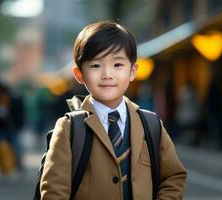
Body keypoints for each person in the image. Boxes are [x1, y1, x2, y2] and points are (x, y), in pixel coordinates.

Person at [40, 21, 187, 200]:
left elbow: (173, 177)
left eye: (118, 65)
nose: (107, 74)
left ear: (133, 71)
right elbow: (54, 194)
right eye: (96, 65)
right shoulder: (69, 128)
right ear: (79, 74)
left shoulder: (151, 124)